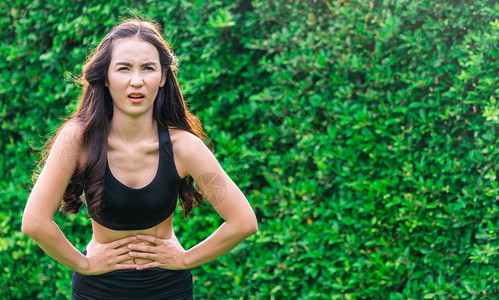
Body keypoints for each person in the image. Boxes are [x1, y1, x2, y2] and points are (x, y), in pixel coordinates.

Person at [21, 18, 258, 299]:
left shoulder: (183, 147)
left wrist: (184, 260)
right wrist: (83, 263)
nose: (137, 81)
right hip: (97, 291)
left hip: (168, 290)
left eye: (148, 68)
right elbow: (34, 222)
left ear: (162, 77)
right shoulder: (78, 139)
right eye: (124, 68)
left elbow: (243, 221)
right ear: (106, 77)